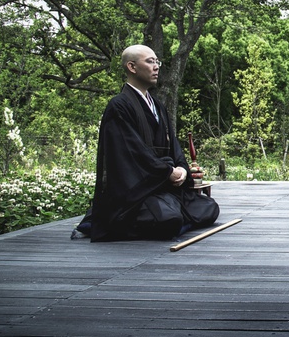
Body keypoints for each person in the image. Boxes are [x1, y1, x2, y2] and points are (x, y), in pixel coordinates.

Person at [72, 45, 219, 242]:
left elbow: (173, 145)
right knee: (169, 218)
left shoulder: (157, 105)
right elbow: (132, 153)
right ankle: (101, 222)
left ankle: (168, 214)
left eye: (157, 61)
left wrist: (182, 169)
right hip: (137, 191)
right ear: (132, 67)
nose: (156, 67)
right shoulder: (119, 106)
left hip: (163, 184)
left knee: (209, 208)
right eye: (150, 61)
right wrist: (167, 172)